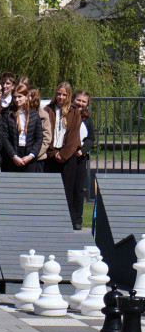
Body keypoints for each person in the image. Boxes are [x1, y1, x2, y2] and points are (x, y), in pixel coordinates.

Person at [43, 81, 83, 228]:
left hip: (68, 156)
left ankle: (70, 220)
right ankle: (52, 219)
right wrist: (53, 152)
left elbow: (73, 137)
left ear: (68, 96)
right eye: (59, 94)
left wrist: (64, 154)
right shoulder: (48, 110)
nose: (61, 97)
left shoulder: (74, 112)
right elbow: (46, 133)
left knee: (68, 189)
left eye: (64, 94)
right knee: (52, 188)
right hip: (52, 154)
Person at [1, 83, 43, 172]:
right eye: (15, 97)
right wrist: (13, 156)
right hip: (12, 156)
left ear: (27, 96)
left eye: (20, 96)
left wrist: (31, 155)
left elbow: (39, 138)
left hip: (28, 155)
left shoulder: (34, 115)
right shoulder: (7, 114)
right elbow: (4, 137)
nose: (17, 100)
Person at [72, 89, 95, 230]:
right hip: (67, 156)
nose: (80, 103)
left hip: (80, 157)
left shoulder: (87, 119)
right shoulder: (67, 114)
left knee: (79, 189)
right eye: (78, 100)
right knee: (67, 188)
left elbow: (91, 138)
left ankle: (77, 219)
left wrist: (83, 150)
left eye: (83, 101)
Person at [31, 86, 51, 170]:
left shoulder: (44, 115)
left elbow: (47, 138)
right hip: (22, 157)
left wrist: (33, 154)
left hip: (38, 157)